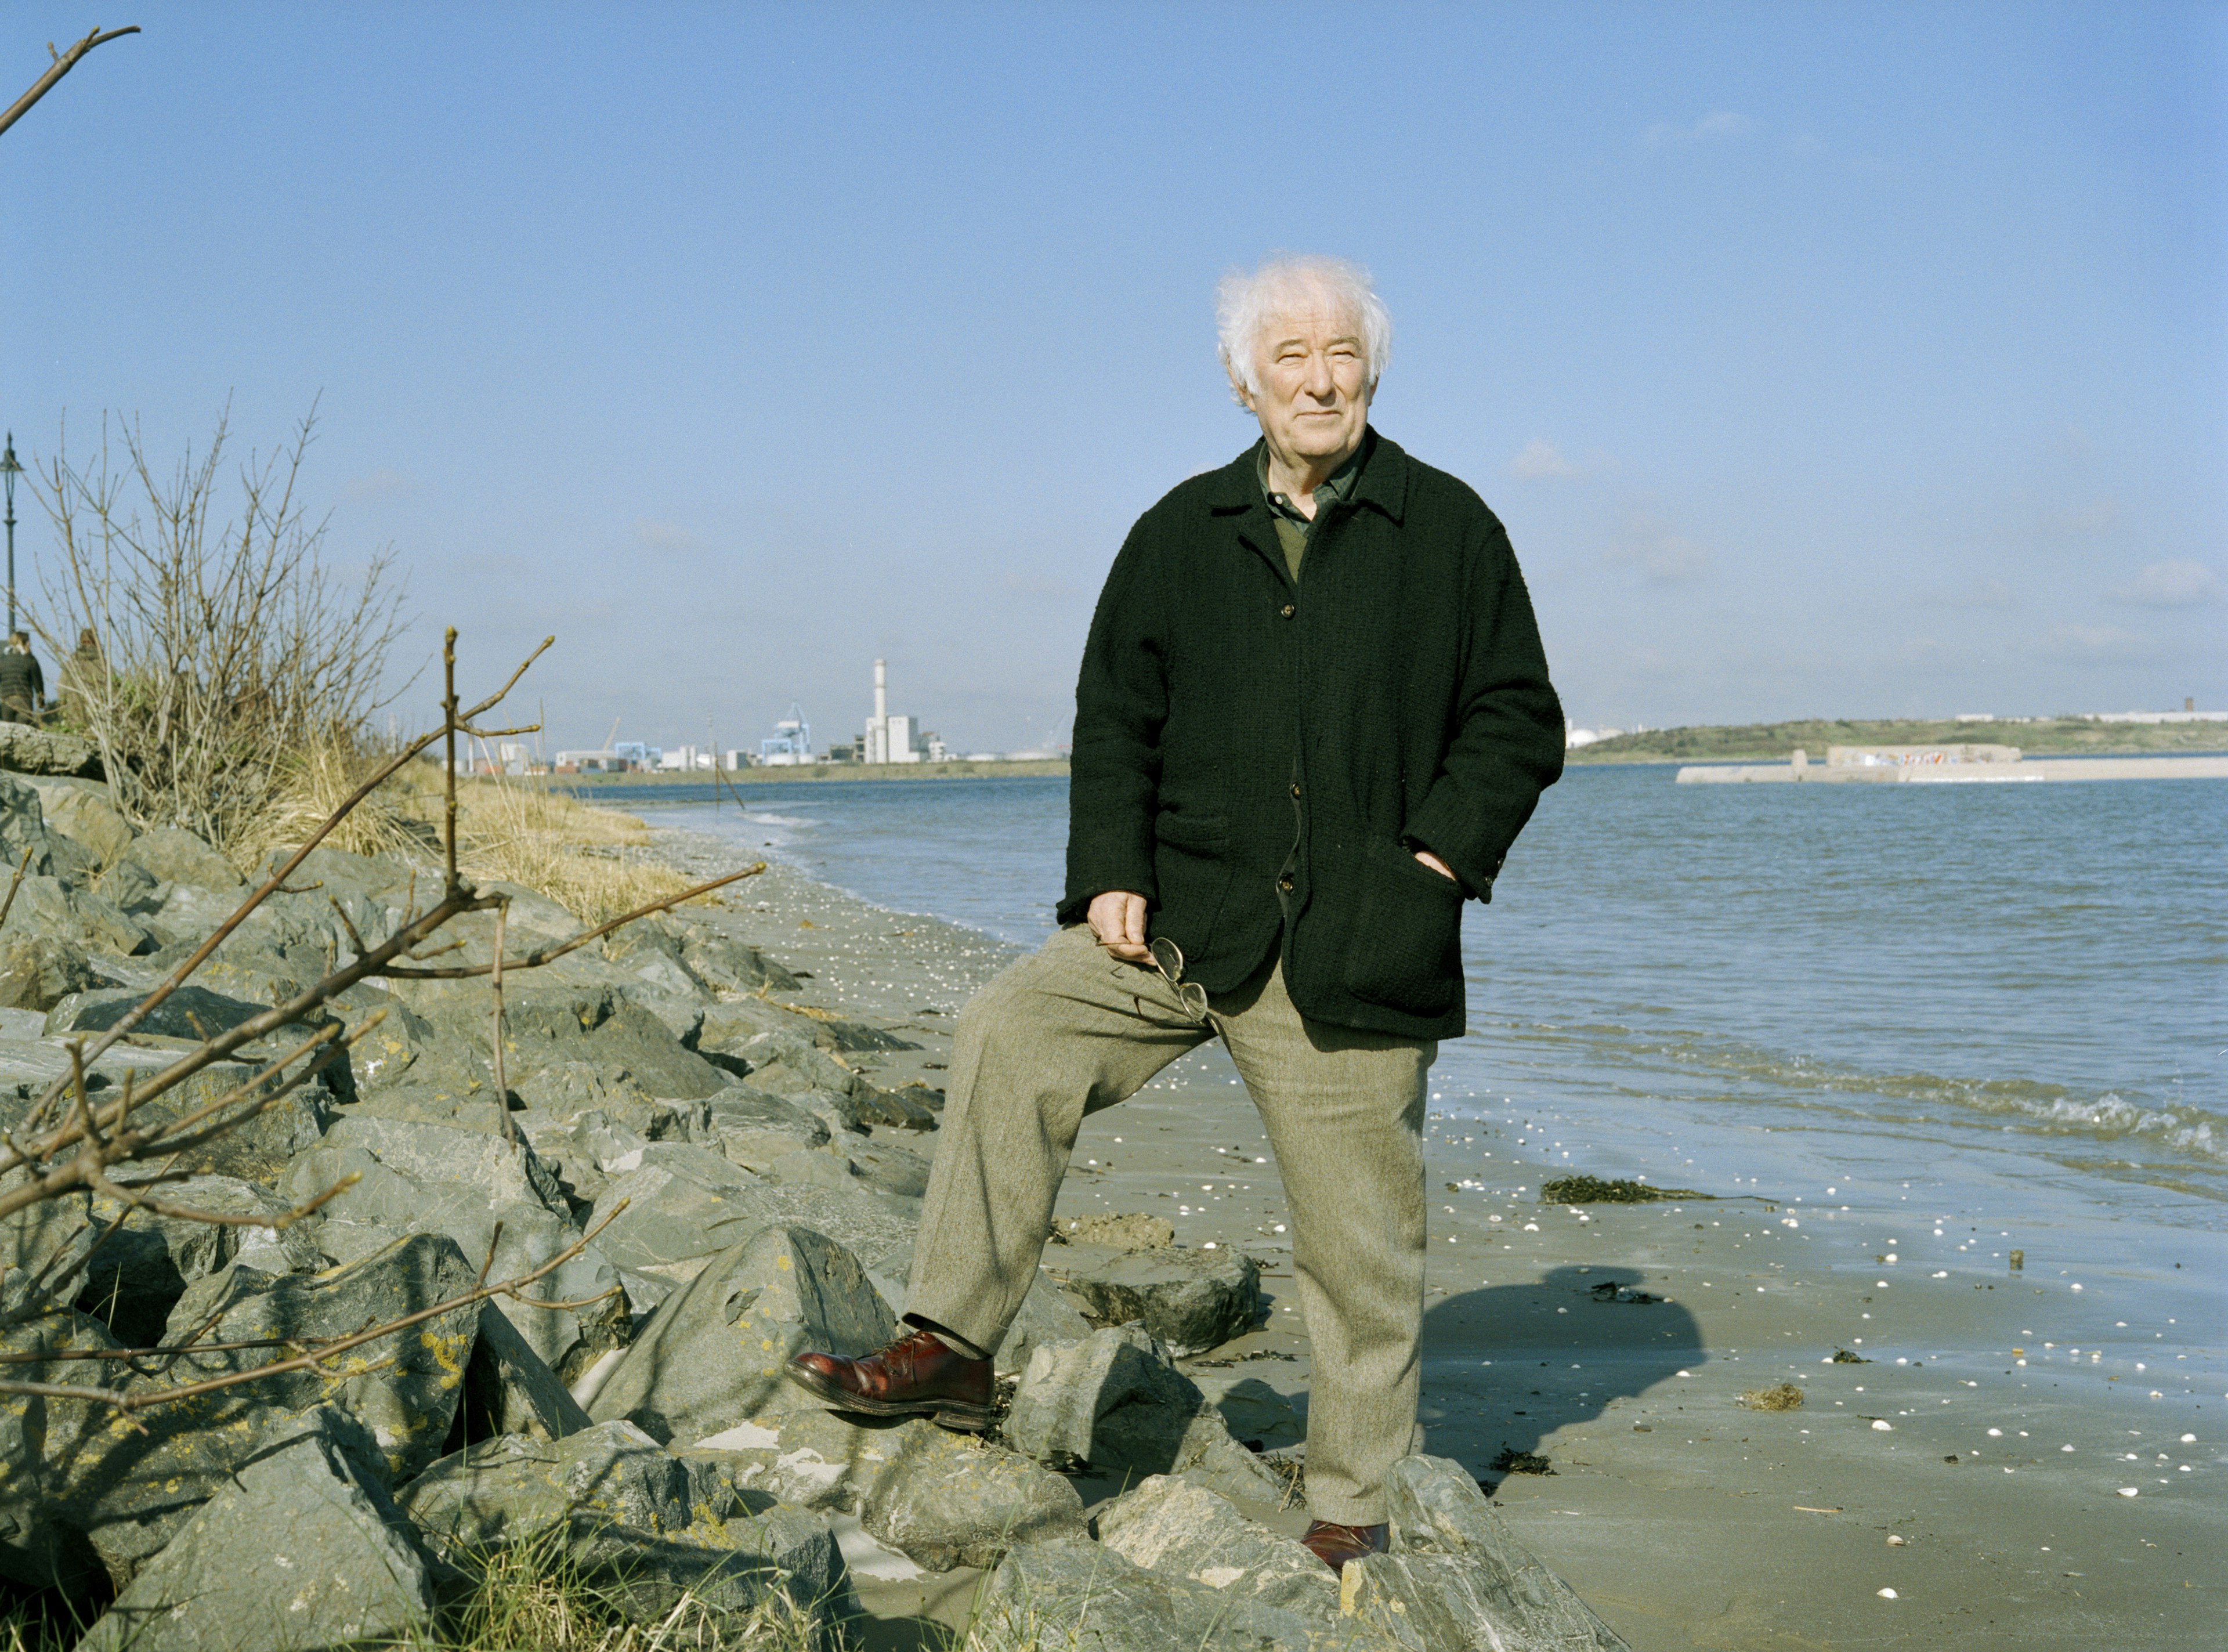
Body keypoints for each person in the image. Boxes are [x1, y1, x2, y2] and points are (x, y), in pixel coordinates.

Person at [786, 255, 1564, 1571]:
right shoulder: (1176, 530)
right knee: (1009, 1027)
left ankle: (1350, 1501)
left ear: (1371, 371)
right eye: (1290, 356)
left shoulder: (1448, 529)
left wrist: (1431, 862)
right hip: (1181, 929)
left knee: (1358, 1239)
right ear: (1243, 379)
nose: (1318, 379)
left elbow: (1515, 716)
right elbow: (1114, 716)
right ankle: (952, 1349)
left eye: (1340, 354)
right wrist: (1108, 869)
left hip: (1359, 944)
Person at [0, 633, 45, 725]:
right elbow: (38, 684)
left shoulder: (3, 660)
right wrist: (41, 703)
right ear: (25, 643)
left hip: (7, 702)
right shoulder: (30, 660)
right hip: (24, 701)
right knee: (24, 733)